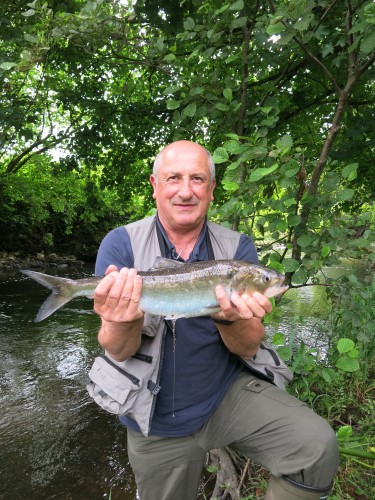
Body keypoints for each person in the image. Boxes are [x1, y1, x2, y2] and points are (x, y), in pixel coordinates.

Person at [92, 140, 338, 500]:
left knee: (316, 448)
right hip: (155, 417)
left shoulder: (237, 248)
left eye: (198, 179)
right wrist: (123, 320)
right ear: (155, 184)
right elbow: (117, 349)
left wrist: (229, 319)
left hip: (225, 398)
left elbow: (249, 346)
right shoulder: (120, 243)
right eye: (174, 178)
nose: (186, 191)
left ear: (211, 189)